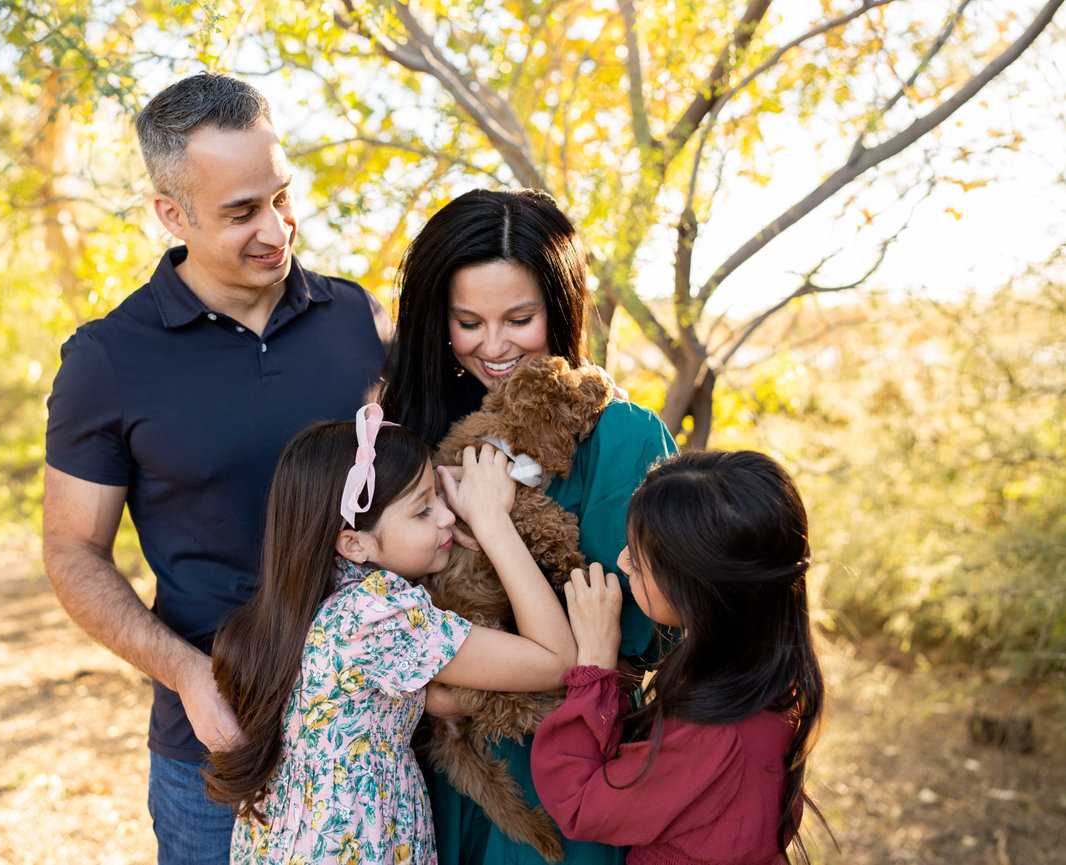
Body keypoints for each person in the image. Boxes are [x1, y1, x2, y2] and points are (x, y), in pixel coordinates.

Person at [41, 72, 392, 865]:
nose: (277, 228)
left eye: (282, 196)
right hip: (217, 754)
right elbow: (72, 551)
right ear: (172, 214)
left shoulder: (359, 320)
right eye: (242, 212)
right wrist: (187, 674)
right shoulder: (108, 359)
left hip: (378, 736)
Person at [379, 187, 678, 865]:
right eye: (468, 322)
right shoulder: (421, 432)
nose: (494, 346)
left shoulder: (623, 439)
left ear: (561, 309)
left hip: (572, 764)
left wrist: (496, 528)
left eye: (520, 318)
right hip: (437, 776)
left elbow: (641, 633)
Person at [206, 404, 579, 863]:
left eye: (439, 495)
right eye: (423, 510)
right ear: (354, 544)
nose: (447, 516)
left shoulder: (302, 605)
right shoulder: (378, 613)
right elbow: (556, 661)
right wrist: (492, 522)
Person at [532, 449, 827, 865]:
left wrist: (595, 661)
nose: (621, 562)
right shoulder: (764, 680)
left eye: (638, 562)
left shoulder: (715, 733)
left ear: (696, 591)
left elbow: (580, 803)